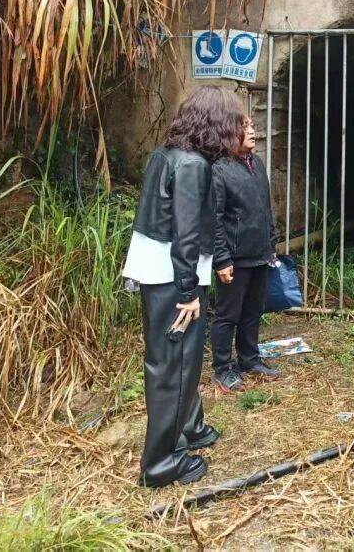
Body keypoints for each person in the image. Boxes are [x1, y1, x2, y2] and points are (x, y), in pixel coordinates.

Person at [122, 87, 228, 488]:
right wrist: (188, 292)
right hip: (174, 279)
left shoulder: (165, 154)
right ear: (215, 124)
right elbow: (186, 234)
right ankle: (161, 463)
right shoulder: (192, 165)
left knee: (176, 362)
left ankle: (190, 427)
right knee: (173, 367)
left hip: (158, 273)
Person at [210, 109, 280, 394]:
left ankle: (249, 359)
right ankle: (222, 368)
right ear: (229, 133)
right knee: (228, 315)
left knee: (253, 311)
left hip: (259, 253)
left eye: (252, 126)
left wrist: (271, 245)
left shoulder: (257, 163)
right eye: (245, 127)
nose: (252, 131)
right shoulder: (219, 169)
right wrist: (221, 259)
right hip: (234, 258)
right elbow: (214, 219)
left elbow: (265, 209)